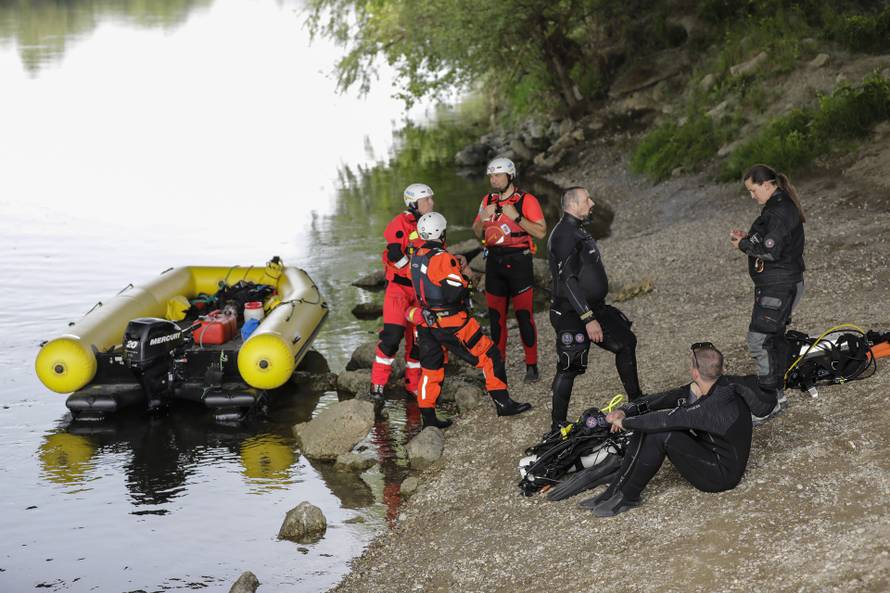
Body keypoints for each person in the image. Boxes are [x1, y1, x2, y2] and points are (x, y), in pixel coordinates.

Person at [580, 343, 774, 517]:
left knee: (660, 433)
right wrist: (625, 410)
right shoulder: (714, 385)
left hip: (721, 476)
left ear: (695, 373)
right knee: (645, 426)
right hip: (710, 452)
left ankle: (628, 496)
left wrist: (625, 423)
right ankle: (615, 490)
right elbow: (662, 399)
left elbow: (665, 420)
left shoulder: (713, 405)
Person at [407, 212, 532, 429]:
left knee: (431, 369)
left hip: (426, 324)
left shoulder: (416, 256)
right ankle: (503, 403)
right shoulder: (443, 258)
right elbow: (456, 290)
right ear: (441, 232)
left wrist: (454, 262)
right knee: (490, 355)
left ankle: (428, 419)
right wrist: (465, 274)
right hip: (452, 323)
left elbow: (431, 279)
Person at [547, 186, 642, 431]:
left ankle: (638, 401)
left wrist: (593, 312)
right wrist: (588, 318)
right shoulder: (564, 235)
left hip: (594, 308)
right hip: (571, 312)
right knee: (570, 364)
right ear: (573, 205)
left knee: (625, 342)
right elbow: (568, 281)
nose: (592, 203)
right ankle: (558, 424)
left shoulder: (577, 230)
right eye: (587, 200)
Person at [730, 164, 806, 416]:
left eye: (753, 190)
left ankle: (769, 402)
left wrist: (743, 245)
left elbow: (771, 250)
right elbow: (767, 239)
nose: (752, 196)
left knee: (759, 340)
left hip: (779, 286)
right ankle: (778, 397)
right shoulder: (776, 206)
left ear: (766, 184)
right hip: (777, 284)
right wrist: (748, 237)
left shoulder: (780, 210)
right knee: (772, 339)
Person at [472, 157, 547, 382]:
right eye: (491, 176)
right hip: (494, 262)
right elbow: (477, 232)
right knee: (496, 319)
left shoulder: (527, 200)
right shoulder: (487, 200)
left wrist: (517, 216)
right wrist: (482, 219)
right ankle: (499, 364)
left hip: (519, 262)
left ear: (510, 176)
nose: (493, 180)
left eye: (497, 175)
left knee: (524, 317)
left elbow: (541, 232)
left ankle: (531, 365)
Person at [368, 183, 436, 401]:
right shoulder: (400, 223)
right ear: (413, 203)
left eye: (430, 199)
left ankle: (413, 385)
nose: (431, 203)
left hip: (421, 292)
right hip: (399, 291)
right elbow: (395, 252)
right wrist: (413, 271)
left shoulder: (432, 223)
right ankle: (377, 384)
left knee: (417, 341)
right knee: (391, 337)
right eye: (426, 200)